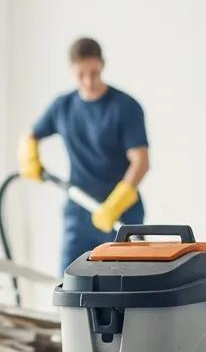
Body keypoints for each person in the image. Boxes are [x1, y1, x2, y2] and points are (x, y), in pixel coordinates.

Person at [19, 37, 150, 273]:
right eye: (81, 74)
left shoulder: (125, 107)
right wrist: (30, 158)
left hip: (120, 214)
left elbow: (140, 161)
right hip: (78, 213)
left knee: (122, 291)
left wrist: (115, 204)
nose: (89, 81)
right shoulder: (63, 106)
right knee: (70, 287)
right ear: (72, 70)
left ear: (102, 65)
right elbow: (31, 134)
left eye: (94, 72)